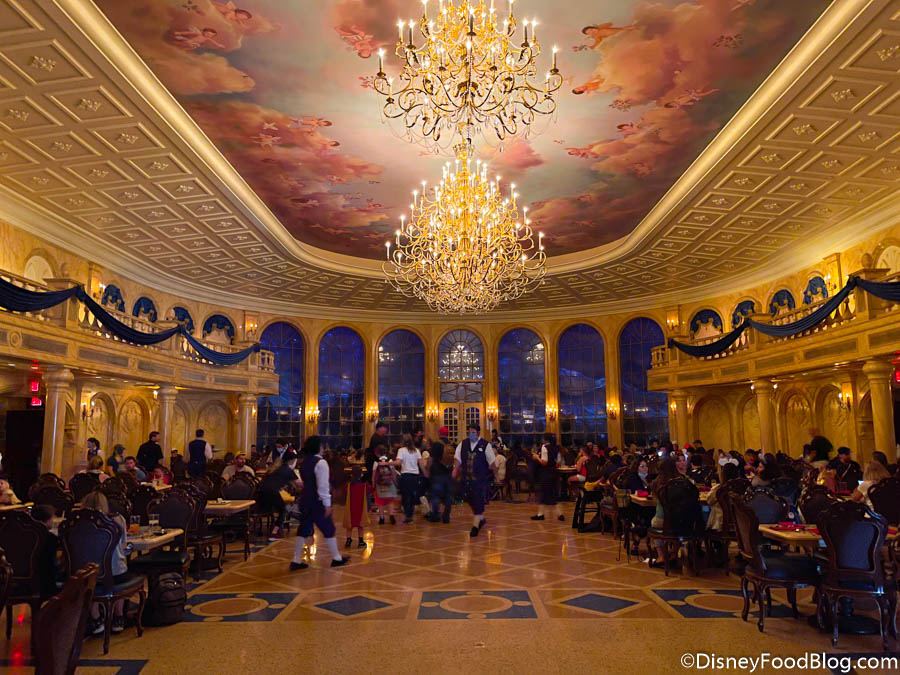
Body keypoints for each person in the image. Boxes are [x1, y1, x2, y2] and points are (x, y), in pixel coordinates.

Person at [290, 436, 349, 571]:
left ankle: (296, 560)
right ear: (318, 447)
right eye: (322, 446)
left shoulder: (304, 461)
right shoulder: (321, 463)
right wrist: (327, 503)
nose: (323, 448)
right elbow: (323, 486)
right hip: (317, 501)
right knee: (328, 528)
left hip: (305, 499)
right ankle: (336, 558)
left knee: (303, 529)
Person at [81, 490, 132, 635]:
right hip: (114, 571)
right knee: (118, 570)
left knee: (91, 578)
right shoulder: (116, 520)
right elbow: (123, 545)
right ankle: (118, 615)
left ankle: (96, 617)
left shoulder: (76, 524)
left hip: (85, 572)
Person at [453, 423, 496, 538]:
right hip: (466, 479)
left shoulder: (485, 445)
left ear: (478, 433)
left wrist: (489, 473)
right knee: (470, 500)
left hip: (480, 480)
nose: (471, 434)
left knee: (478, 501)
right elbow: (458, 459)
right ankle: (481, 519)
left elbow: (492, 463)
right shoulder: (463, 444)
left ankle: (475, 526)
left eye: (473, 432)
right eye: (469, 432)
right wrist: (455, 471)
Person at [257, 449, 302, 541]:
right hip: (272, 493)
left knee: (283, 507)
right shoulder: (288, 470)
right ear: (292, 460)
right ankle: (274, 533)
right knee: (283, 510)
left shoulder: (276, 467)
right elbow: (299, 484)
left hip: (261, 493)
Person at [649, 457, 680, 568]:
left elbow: (655, 500)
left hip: (662, 519)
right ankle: (674, 553)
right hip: (680, 520)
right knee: (677, 529)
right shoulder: (682, 481)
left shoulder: (656, 483)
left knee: (654, 522)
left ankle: (661, 555)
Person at [531, 433, 563, 521]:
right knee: (551, 494)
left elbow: (544, 462)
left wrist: (537, 457)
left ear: (545, 439)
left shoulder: (544, 447)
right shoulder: (556, 448)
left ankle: (546, 514)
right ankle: (556, 514)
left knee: (545, 494)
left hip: (546, 474)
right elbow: (558, 461)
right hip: (554, 473)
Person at [396, 434, 424, 524]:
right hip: (415, 475)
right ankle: (410, 514)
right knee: (412, 495)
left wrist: (386, 464)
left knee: (406, 495)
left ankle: (408, 515)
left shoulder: (401, 450)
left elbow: (398, 462)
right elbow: (421, 463)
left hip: (406, 475)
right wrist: (425, 472)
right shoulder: (416, 450)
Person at [342, 465, 369, 549]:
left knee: (349, 526)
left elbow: (343, 490)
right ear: (361, 475)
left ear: (351, 475)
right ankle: (361, 541)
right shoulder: (364, 485)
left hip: (351, 509)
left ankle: (348, 541)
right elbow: (371, 490)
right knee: (361, 525)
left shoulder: (349, 485)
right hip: (361, 508)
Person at [426, 441, 452, 523]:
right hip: (447, 477)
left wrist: (427, 472)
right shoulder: (446, 455)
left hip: (436, 477)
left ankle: (436, 515)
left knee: (435, 497)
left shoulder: (432, 456)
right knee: (448, 497)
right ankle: (446, 516)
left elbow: (428, 466)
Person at [372, 446, 398, 525]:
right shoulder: (389, 460)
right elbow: (393, 473)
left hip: (380, 484)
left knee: (380, 501)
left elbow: (373, 476)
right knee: (390, 500)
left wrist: (373, 484)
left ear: (377, 453)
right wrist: (395, 482)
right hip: (389, 483)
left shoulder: (376, 462)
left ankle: (382, 518)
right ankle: (391, 515)